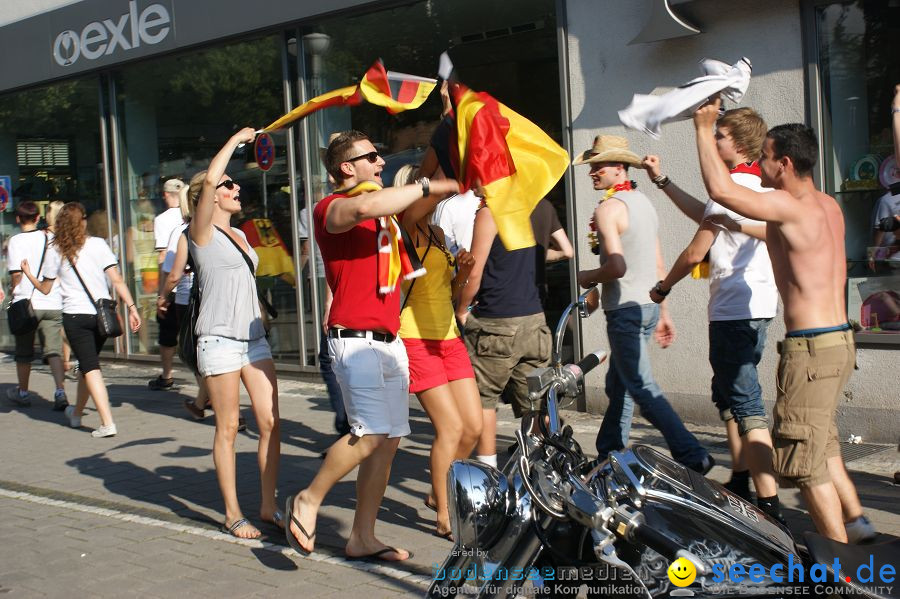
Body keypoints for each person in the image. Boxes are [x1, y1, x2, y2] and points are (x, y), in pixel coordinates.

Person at [692, 96, 875, 543]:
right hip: (838, 342)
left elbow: (722, 192)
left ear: (785, 164)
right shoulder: (826, 207)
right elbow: (747, 222)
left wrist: (702, 128)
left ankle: (838, 569)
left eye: (767, 158)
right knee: (824, 441)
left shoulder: (788, 206)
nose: (761, 165)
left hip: (810, 349)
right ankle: (858, 522)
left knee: (805, 463)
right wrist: (671, 187)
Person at [285, 130, 459, 560]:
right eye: (372, 157)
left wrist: (445, 170)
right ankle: (307, 499)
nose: (381, 162)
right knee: (370, 433)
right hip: (354, 339)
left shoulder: (385, 214)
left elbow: (406, 207)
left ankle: (362, 537)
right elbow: (363, 205)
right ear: (347, 167)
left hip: (389, 341)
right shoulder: (333, 207)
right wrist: (424, 183)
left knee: (390, 440)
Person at [643, 108, 784, 523]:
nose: (713, 141)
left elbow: (694, 251)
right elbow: (706, 217)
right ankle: (740, 480)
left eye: (719, 135)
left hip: (733, 310)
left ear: (737, 143)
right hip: (755, 306)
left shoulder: (732, 186)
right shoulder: (752, 185)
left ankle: (770, 505)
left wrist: (662, 288)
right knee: (729, 395)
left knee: (745, 402)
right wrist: (663, 182)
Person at [574, 135, 713, 474]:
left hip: (624, 312)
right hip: (647, 307)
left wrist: (586, 276)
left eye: (598, 165)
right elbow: (658, 261)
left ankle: (692, 454)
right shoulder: (643, 203)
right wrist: (663, 312)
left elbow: (617, 267)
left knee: (640, 386)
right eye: (591, 165)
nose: (592, 172)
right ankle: (609, 453)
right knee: (618, 384)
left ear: (619, 168)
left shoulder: (608, 209)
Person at [188, 129, 282, 540]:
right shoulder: (200, 234)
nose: (234, 186)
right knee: (227, 427)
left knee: (271, 422)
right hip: (219, 340)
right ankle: (231, 513)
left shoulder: (243, 235)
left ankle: (267, 504)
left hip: (253, 339)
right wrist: (235, 140)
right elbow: (209, 179)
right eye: (229, 184)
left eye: (232, 184)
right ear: (209, 198)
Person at [398, 165, 481, 539]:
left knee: (473, 428)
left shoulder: (440, 234)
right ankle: (446, 513)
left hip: (449, 338)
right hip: (416, 339)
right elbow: (414, 207)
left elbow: (452, 294)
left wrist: (463, 272)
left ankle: (437, 491)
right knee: (449, 429)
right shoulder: (404, 229)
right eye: (424, 185)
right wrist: (443, 179)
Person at [22, 202, 141, 437]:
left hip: (75, 317)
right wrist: (132, 307)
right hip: (100, 315)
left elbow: (45, 289)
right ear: (83, 221)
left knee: (90, 367)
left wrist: (29, 275)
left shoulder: (56, 249)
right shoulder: (98, 245)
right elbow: (116, 280)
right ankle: (76, 414)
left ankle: (107, 423)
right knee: (89, 365)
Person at [455, 199, 552, 469]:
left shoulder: (491, 211)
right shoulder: (533, 204)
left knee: (484, 402)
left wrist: (462, 307)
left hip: (496, 321)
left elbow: (474, 270)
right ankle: (539, 472)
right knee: (534, 403)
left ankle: (489, 474)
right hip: (534, 319)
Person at [5, 201, 68, 410]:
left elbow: (16, 274)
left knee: (24, 352)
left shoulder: (15, 241)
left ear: (18, 219)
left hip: (27, 303)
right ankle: (60, 392)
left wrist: (15, 290)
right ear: (37, 218)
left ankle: (23, 392)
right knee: (53, 351)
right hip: (52, 300)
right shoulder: (51, 237)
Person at [149, 178, 187, 390]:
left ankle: (167, 374)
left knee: (167, 331)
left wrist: (161, 293)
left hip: (175, 285)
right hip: (195, 285)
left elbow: (163, 257)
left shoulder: (162, 220)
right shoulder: (194, 217)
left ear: (165, 195)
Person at [530, 197, 574, 307]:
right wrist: (536, 257)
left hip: (501, 297)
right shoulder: (544, 205)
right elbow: (567, 251)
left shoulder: (498, 207)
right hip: (536, 293)